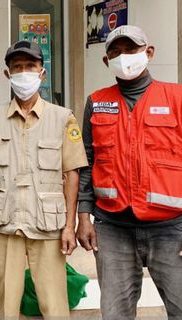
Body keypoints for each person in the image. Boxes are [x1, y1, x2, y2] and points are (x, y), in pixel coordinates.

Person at [0, 40, 87, 318]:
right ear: (7, 74)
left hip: (47, 223)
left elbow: (72, 174)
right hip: (4, 222)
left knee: (54, 303)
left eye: (30, 66)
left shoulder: (63, 118)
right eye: (17, 67)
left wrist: (70, 226)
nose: (24, 73)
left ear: (42, 73)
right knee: (7, 302)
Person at [77, 25, 182, 319]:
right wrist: (83, 216)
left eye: (131, 50)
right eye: (116, 51)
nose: (124, 57)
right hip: (112, 227)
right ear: (106, 60)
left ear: (148, 53)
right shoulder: (97, 102)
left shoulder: (176, 98)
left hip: (171, 227)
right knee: (115, 313)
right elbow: (87, 161)